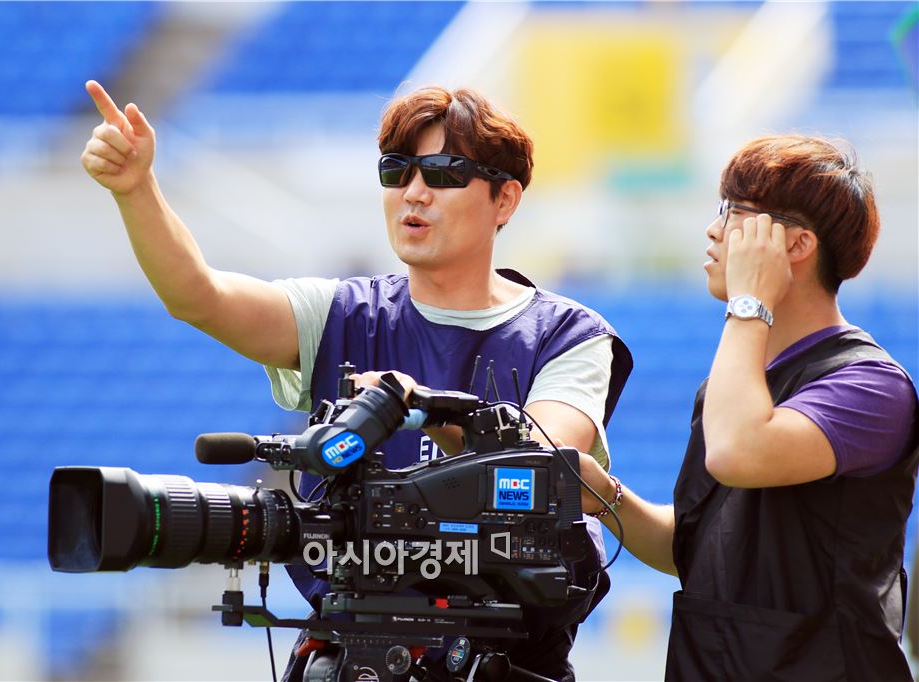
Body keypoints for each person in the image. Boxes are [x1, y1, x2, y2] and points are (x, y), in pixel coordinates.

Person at [81, 81, 632, 681]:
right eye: (396, 171)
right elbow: (199, 296)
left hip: (502, 664)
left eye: (443, 173)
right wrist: (137, 189)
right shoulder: (342, 312)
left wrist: (421, 408)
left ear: (505, 199)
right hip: (348, 652)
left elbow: (544, 471)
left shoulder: (568, 334)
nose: (413, 192)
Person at [571, 135, 919, 680]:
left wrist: (749, 303)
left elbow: (737, 453)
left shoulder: (870, 386)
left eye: (734, 212)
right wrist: (605, 496)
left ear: (796, 244)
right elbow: (694, 549)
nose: (713, 230)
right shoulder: (735, 384)